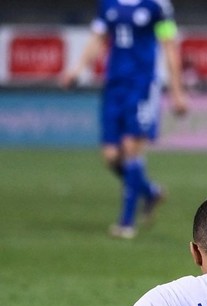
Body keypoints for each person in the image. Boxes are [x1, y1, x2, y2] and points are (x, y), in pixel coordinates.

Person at [60, 0, 188, 240]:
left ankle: (126, 223)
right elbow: (97, 39)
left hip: (142, 85)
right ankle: (150, 192)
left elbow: (169, 45)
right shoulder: (107, 4)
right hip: (114, 85)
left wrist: (177, 91)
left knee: (131, 148)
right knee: (111, 157)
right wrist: (77, 69)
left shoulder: (157, 6)